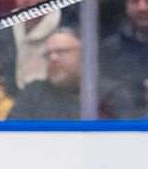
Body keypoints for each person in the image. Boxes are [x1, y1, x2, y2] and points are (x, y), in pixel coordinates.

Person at [8, 27, 138, 119]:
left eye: (61, 52)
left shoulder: (110, 93)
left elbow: (124, 140)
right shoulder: (34, 92)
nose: (53, 58)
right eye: (48, 54)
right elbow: (13, 135)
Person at [100, 0, 148, 114]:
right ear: (126, 7)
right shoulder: (110, 48)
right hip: (120, 128)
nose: (142, 8)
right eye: (135, 1)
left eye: (147, 0)